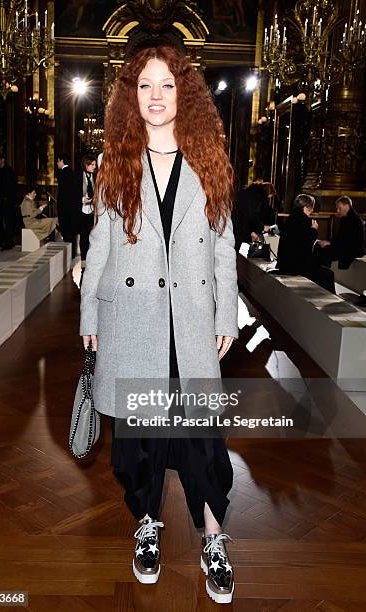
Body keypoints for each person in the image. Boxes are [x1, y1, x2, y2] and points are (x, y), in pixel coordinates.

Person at [80, 45, 238, 604]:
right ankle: (147, 522)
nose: (155, 96)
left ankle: (213, 535)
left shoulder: (209, 157)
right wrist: (89, 312)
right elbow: (98, 245)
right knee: (139, 438)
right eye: (145, 85)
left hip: (191, 322)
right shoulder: (115, 160)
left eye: (167, 85)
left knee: (200, 437)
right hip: (134, 321)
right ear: (131, 95)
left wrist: (227, 312)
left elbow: (222, 247)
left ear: (184, 93)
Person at [276, 193, 335, 292]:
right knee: (327, 274)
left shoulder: (291, 218)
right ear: (307, 206)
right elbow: (305, 244)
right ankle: (329, 301)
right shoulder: (304, 220)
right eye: (311, 207)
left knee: (324, 272)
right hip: (295, 265)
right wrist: (314, 230)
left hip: (284, 262)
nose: (312, 210)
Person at [316, 196, 365, 269]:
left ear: (347, 206)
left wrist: (330, 243)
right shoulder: (345, 218)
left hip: (353, 248)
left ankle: (324, 274)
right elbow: (341, 236)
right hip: (346, 245)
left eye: (339, 208)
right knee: (319, 247)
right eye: (337, 208)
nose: (337, 210)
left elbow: (348, 239)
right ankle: (319, 272)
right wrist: (329, 241)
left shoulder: (354, 219)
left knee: (326, 251)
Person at [232, 178, 276, 251]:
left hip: (235, 227)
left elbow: (244, 215)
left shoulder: (246, 192)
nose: (269, 198)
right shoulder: (257, 198)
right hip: (240, 233)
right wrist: (262, 227)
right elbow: (252, 215)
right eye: (270, 196)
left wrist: (250, 232)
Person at [74, 153, 97, 284]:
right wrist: (82, 199)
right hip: (81, 210)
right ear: (86, 164)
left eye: (95, 164)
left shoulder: (94, 176)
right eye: (92, 164)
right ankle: (83, 261)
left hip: (91, 209)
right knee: (83, 236)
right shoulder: (78, 176)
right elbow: (72, 194)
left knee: (91, 235)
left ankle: (90, 259)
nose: (94, 167)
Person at [0, 153, 18, 250]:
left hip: (8, 201)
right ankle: (2, 240)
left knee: (8, 221)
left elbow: (12, 187)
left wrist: (9, 198)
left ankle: (8, 241)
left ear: (3, 160)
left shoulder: (10, 171)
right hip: (0, 200)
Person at [56, 152, 77, 257]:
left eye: (58, 161)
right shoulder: (73, 173)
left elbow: (62, 193)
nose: (57, 163)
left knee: (65, 229)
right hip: (72, 207)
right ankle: (72, 253)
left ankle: (68, 253)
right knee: (71, 230)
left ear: (62, 161)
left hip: (64, 206)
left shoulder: (62, 173)